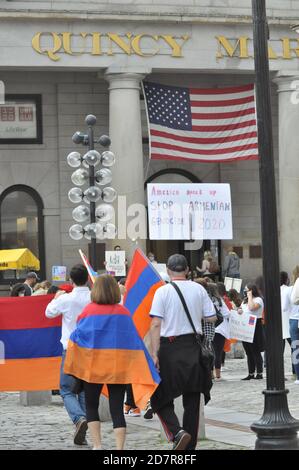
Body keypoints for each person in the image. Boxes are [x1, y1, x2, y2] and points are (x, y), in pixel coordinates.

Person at [64, 275, 160, 450]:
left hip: (93, 367)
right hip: (119, 367)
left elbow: (78, 336)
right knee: (117, 408)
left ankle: (97, 445)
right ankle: (119, 449)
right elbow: (133, 339)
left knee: (91, 406)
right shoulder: (123, 312)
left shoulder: (88, 311)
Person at [149, 254, 216, 450]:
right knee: (193, 401)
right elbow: (211, 317)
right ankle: (189, 449)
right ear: (187, 270)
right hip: (193, 347)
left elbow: (155, 323)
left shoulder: (162, 292)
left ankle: (177, 433)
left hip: (169, 348)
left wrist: (154, 353)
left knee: (159, 397)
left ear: (169, 271)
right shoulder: (199, 289)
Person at [45, 264, 91, 445]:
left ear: (71, 280)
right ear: (87, 278)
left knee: (66, 389)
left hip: (71, 349)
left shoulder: (66, 299)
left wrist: (56, 297)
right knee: (84, 390)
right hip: (90, 350)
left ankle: (79, 419)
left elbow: (48, 313)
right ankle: (83, 431)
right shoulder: (94, 297)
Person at [238, 283, 265, 380]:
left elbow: (252, 308)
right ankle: (251, 372)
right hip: (246, 325)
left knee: (255, 350)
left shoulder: (258, 300)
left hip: (255, 324)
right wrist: (239, 311)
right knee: (248, 351)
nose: (245, 292)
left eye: (247, 290)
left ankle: (259, 372)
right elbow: (242, 309)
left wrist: (250, 297)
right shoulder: (244, 301)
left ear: (251, 290)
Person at [207, 283, 230, 381]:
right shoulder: (220, 300)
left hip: (210, 328)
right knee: (218, 352)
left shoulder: (206, 300)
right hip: (220, 329)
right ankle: (218, 375)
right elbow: (227, 313)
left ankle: (210, 373)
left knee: (210, 351)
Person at [280, 271, 295, 378]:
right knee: (295, 348)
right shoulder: (289, 289)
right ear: (286, 279)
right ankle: (295, 372)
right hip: (289, 321)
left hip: (277, 324)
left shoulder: (273, 290)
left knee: (278, 351)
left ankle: (279, 374)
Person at [289, 266, 299, 384]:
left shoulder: (294, 285)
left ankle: (298, 376)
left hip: (293, 320)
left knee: (296, 348)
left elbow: (292, 300)